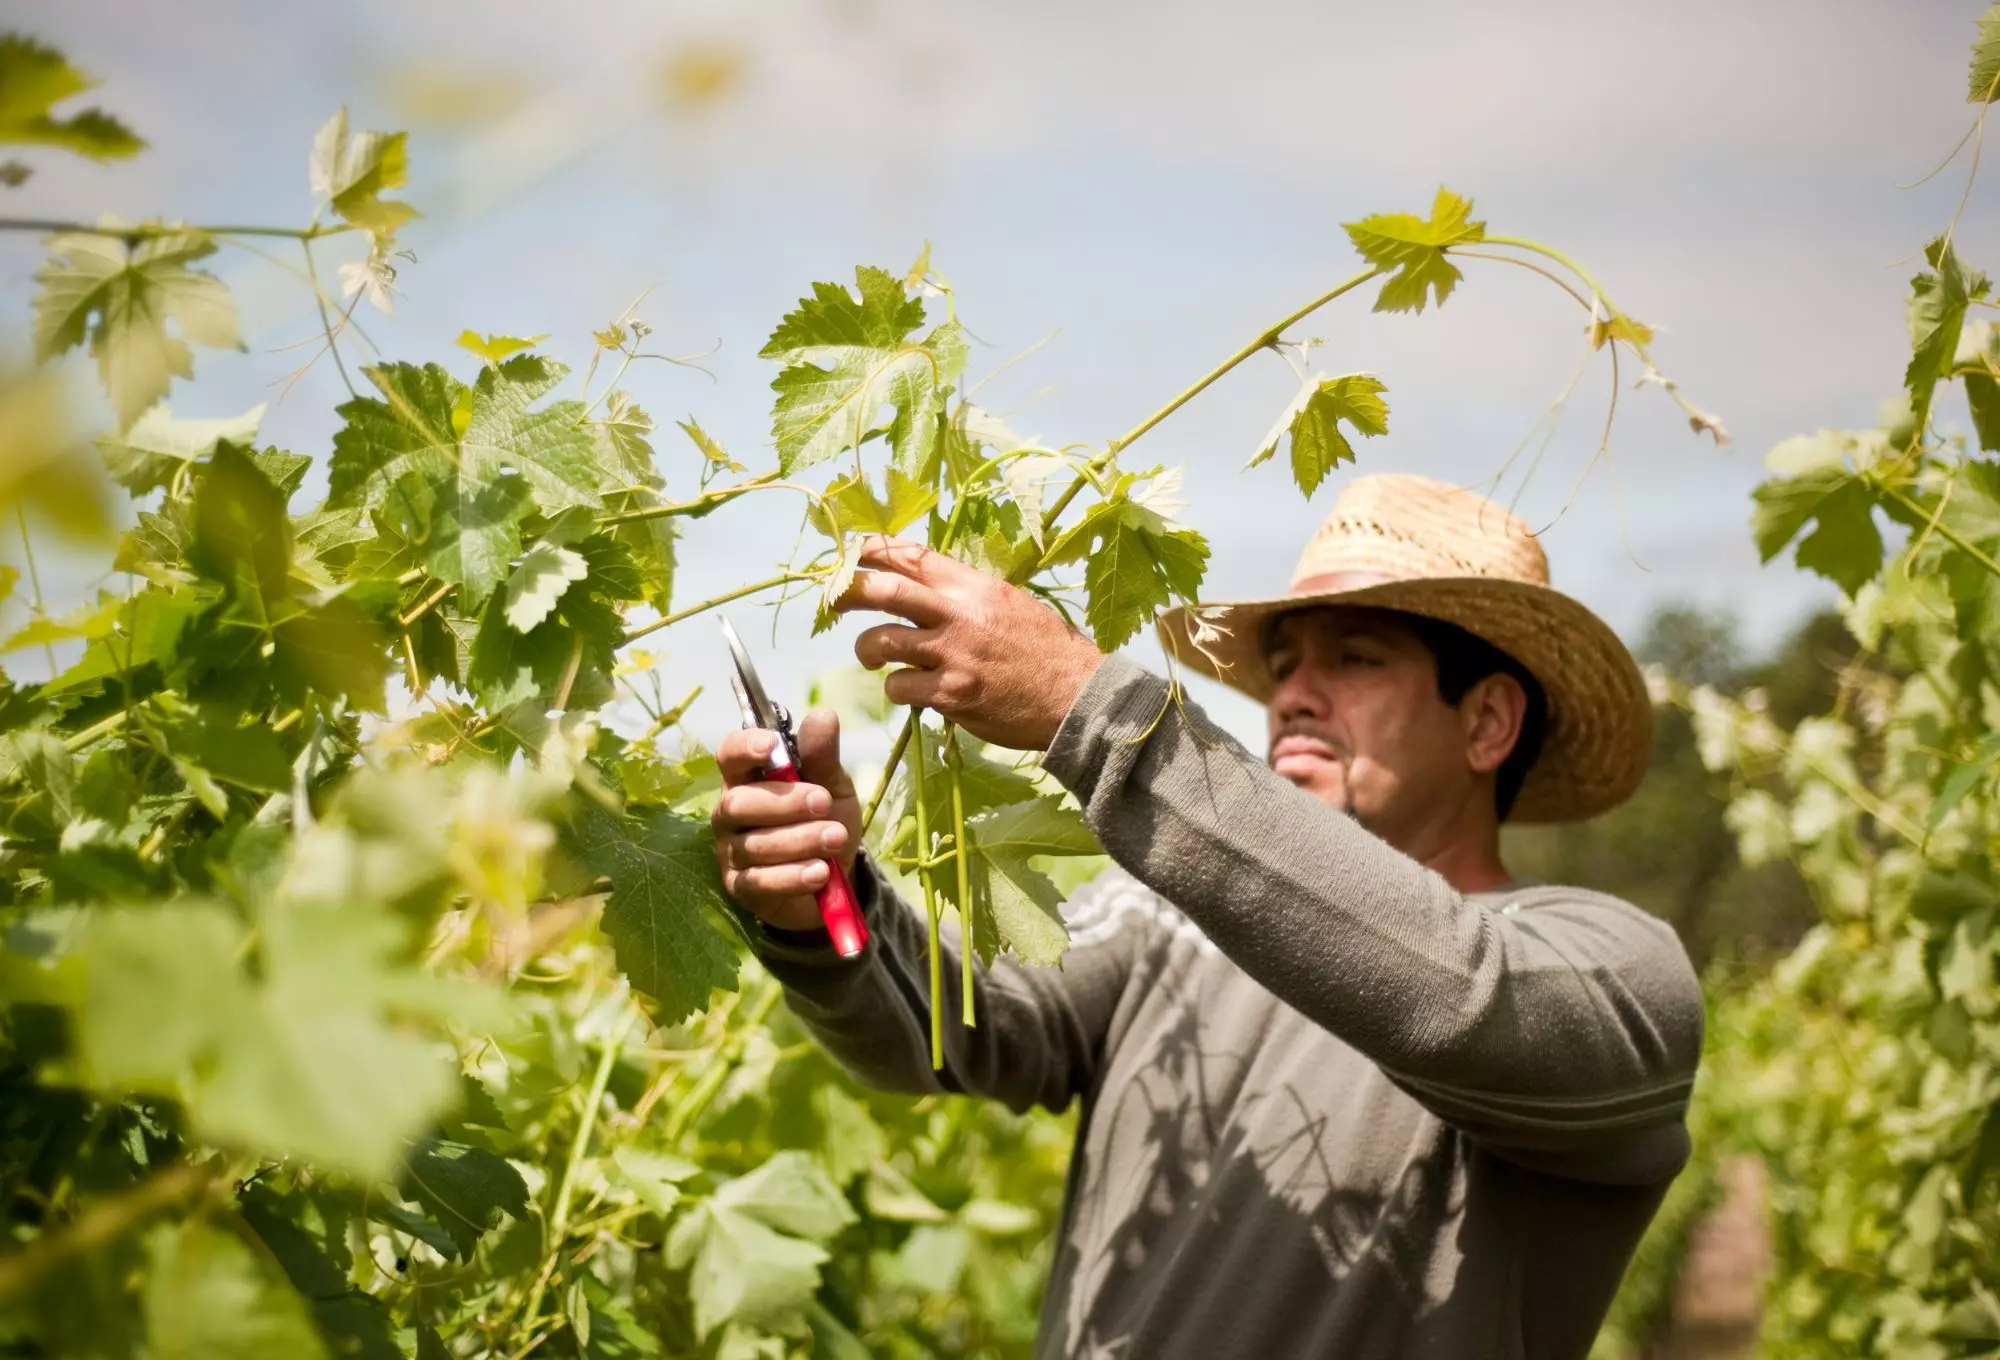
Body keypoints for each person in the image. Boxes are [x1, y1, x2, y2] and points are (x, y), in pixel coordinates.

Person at [711, 472, 1704, 1360]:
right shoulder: (1165, 924)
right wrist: (826, 910)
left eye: (1354, 659)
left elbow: (1456, 995)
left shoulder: (1618, 978)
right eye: (1282, 667)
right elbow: (962, 1030)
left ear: (1486, 721)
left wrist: (1082, 705)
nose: (1293, 698)